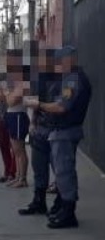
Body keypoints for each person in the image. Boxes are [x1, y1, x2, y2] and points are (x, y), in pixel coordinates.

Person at [25, 46, 91, 228]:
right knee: (58, 171)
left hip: (65, 130)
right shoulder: (67, 77)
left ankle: (68, 213)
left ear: (69, 59)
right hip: (58, 129)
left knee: (64, 172)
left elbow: (62, 107)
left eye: (60, 61)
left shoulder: (73, 80)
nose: (58, 65)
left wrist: (38, 105)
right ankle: (62, 208)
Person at [19, 47, 59, 216]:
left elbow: (62, 106)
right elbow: (34, 101)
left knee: (60, 169)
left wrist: (37, 106)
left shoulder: (62, 79)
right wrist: (33, 123)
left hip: (57, 130)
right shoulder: (39, 78)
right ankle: (39, 202)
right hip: (40, 128)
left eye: (44, 60)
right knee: (39, 169)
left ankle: (61, 206)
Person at [0, 51, 19, 183]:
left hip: (14, 114)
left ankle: (13, 173)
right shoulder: (2, 76)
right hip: (2, 114)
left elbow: (12, 98)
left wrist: (3, 95)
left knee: (15, 146)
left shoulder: (19, 77)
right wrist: (3, 95)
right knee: (3, 145)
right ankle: (7, 171)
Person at [3, 59, 31, 188]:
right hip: (11, 115)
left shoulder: (22, 85)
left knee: (20, 149)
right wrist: (7, 93)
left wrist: (7, 93)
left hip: (18, 116)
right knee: (15, 149)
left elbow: (10, 101)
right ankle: (19, 176)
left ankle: (23, 178)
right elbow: (6, 98)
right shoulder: (14, 86)